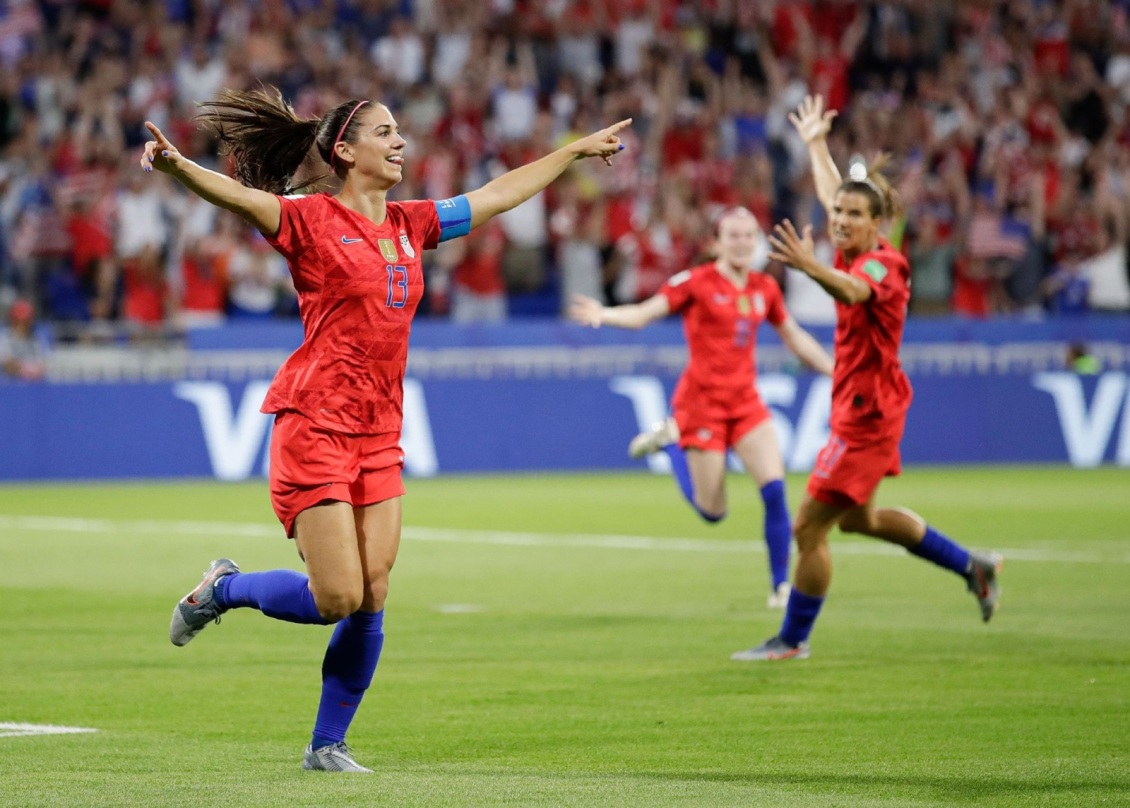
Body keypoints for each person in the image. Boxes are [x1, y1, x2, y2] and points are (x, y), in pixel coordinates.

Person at [142, 87, 630, 771]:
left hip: (379, 432)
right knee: (335, 596)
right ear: (345, 150)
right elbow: (243, 200)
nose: (400, 141)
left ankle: (326, 745)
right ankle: (222, 590)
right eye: (384, 132)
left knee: (374, 591)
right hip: (314, 424)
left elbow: (496, 195)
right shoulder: (310, 219)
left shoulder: (412, 224)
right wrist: (179, 169)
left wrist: (572, 150)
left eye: (400, 131)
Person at [735, 95, 1003, 662]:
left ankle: (792, 640)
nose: (841, 220)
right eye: (838, 215)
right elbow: (835, 193)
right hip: (862, 405)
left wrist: (811, 268)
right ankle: (972, 566)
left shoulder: (882, 264)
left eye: (854, 216)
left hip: (868, 416)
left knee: (809, 529)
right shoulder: (853, 242)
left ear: (878, 224)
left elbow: (853, 290)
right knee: (862, 520)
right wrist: (813, 143)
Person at [569, 207, 834, 609]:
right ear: (717, 242)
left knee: (775, 490)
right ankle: (672, 441)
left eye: (748, 236)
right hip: (701, 406)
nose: (742, 243)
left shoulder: (765, 288)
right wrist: (603, 314)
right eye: (733, 236)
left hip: (745, 404)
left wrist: (836, 371)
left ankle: (781, 586)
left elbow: (795, 337)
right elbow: (645, 313)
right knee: (713, 512)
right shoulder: (696, 282)